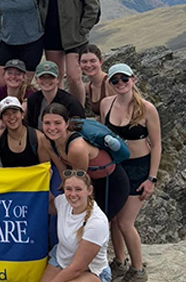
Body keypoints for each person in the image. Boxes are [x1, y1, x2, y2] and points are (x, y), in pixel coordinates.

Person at [100, 64, 161, 282]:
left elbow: (156, 144)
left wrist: (151, 179)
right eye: (115, 80)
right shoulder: (106, 104)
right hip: (115, 167)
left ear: (133, 79)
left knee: (126, 222)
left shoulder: (146, 109)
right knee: (114, 218)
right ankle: (119, 261)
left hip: (138, 168)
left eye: (124, 79)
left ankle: (137, 270)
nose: (120, 84)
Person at [36, 0, 101, 105]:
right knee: (55, 78)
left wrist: (82, 29)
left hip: (75, 37)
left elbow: (93, 5)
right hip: (51, 36)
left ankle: (77, 113)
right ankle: (58, 112)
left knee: (73, 77)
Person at [41, 104, 129, 221]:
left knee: (97, 224)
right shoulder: (48, 141)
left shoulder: (77, 148)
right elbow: (64, 170)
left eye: (57, 123)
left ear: (67, 124)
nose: (52, 128)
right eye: (47, 123)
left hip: (111, 183)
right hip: (91, 182)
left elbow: (79, 181)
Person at [41, 170, 111, 282]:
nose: (72, 194)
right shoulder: (63, 201)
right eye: (68, 189)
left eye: (78, 189)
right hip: (60, 259)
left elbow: (77, 268)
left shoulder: (96, 222)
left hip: (90, 270)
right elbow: (50, 207)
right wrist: (44, 183)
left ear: (89, 190)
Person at [0, 59, 36, 139]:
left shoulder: (30, 93)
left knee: (0, 124)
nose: (13, 77)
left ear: (23, 77)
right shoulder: (0, 91)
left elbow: (19, 114)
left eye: (18, 74)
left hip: (27, 125)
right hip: (9, 121)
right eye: (9, 73)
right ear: (4, 76)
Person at [0, 97, 50, 168]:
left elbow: (46, 168)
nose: (11, 117)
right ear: (2, 119)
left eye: (14, 112)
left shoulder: (38, 138)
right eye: (6, 114)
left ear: (22, 115)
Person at [27, 61, 85, 130]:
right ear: (36, 80)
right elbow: (31, 127)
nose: (46, 80)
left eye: (51, 77)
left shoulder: (71, 103)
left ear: (58, 79)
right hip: (39, 139)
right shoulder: (32, 99)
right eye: (42, 77)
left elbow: (80, 129)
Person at [81, 45, 115, 117]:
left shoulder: (110, 83)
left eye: (92, 61)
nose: (88, 65)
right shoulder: (88, 87)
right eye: (84, 62)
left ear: (101, 62)